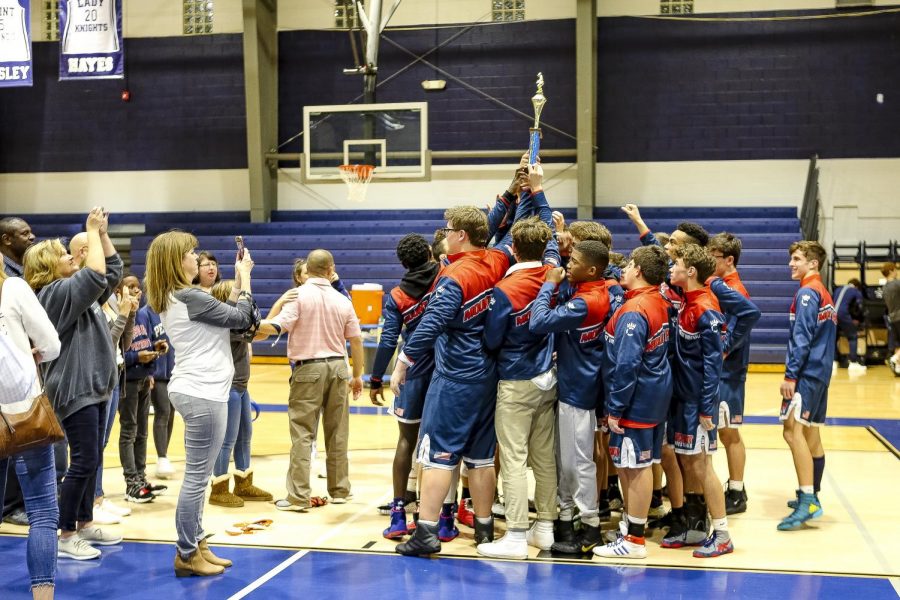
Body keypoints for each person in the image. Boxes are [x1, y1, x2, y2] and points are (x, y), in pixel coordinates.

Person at [390, 164, 535, 557]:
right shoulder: (498, 259)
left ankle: (425, 533)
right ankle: (485, 529)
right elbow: (505, 228)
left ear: (461, 237)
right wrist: (518, 191)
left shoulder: (454, 277)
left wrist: (404, 360)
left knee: (438, 453)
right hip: (489, 372)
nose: (445, 234)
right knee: (481, 457)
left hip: (455, 376)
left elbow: (433, 321)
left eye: (450, 229)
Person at [144, 230, 259, 576]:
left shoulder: (178, 296)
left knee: (198, 475)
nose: (197, 258)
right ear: (176, 261)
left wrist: (237, 281)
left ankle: (197, 542)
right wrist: (248, 278)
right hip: (203, 391)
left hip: (199, 388)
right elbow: (243, 318)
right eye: (191, 253)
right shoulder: (189, 295)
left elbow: (226, 313)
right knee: (197, 478)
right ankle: (186, 552)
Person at [25, 208, 124, 560]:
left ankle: (83, 522)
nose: (71, 256)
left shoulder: (76, 291)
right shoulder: (52, 294)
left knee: (92, 458)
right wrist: (90, 231)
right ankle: (65, 533)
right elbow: (97, 272)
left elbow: (111, 272)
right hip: (75, 388)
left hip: (94, 387)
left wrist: (103, 234)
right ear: (49, 266)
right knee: (82, 461)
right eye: (64, 254)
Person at [478, 211, 560, 560]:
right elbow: (554, 246)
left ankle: (514, 535)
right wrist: (538, 191)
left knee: (513, 457)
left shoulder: (505, 289)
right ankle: (545, 527)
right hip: (548, 378)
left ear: (512, 248)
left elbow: (492, 339)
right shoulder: (554, 274)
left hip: (515, 378)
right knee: (544, 457)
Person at [257, 250, 364, 512]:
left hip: (308, 368)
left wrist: (249, 323)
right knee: (338, 431)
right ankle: (340, 490)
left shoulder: (299, 295)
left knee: (303, 433)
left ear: (309, 269)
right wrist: (358, 375)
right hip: (339, 367)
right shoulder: (342, 300)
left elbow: (277, 327)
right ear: (331, 269)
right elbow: (356, 340)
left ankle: (298, 497)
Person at [530, 240, 611, 556]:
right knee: (566, 460)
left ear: (590, 269)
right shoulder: (595, 287)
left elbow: (538, 322)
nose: (567, 266)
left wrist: (548, 286)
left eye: (574, 261)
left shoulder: (586, 302)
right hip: (574, 386)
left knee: (579, 462)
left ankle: (589, 527)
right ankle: (568, 519)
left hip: (579, 390)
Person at [593, 245, 672, 560]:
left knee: (634, 468)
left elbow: (626, 365)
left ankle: (635, 540)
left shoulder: (634, 311)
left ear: (638, 269)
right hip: (650, 396)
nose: (623, 268)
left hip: (636, 401)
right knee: (632, 466)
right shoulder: (654, 299)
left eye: (628, 264)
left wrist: (615, 407)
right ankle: (631, 529)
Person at [369, 234, 442, 539]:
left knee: (405, 442)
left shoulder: (398, 295)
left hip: (411, 370)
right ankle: (444, 515)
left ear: (402, 262)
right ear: (429, 252)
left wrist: (375, 379)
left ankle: (399, 514)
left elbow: (387, 340)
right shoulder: (445, 276)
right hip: (443, 368)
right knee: (443, 447)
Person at [664, 244, 733, 558]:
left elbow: (713, 361)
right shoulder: (685, 303)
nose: (672, 267)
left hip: (698, 404)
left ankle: (722, 535)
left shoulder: (707, 308)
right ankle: (695, 529)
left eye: (676, 263)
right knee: (690, 462)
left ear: (690, 271)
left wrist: (707, 406)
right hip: (683, 399)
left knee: (703, 466)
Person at [0, 265, 62, 599]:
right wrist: (34, 353)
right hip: (25, 411)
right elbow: (51, 344)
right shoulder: (13, 288)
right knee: (42, 512)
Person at [778, 241, 836, 531]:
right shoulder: (823, 291)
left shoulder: (806, 293)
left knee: (792, 431)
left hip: (807, 373)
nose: (792, 263)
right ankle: (812, 493)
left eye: (797, 258)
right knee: (811, 437)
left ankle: (808, 499)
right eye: (792, 258)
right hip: (821, 372)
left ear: (813, 263)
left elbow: (802, 338)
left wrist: (790, 375)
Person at [706, 233, 761, 515]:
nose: (708, 261)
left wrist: (723, 350)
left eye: (713, 257)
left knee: (729, 434)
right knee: (724, 433)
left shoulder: (734, 289)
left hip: (728, 374)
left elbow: (740, 326)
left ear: (728, 260)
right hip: (722, 373)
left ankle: (737, 491)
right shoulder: (721, 286)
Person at [208, 279, 273, 508]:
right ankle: (219, 488)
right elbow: (259, 329)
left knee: (245, 436)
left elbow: (259, 332)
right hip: (230, 387)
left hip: (242, 387)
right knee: (227, 440)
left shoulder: (237, 325)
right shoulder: (227, 326)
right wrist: (282, 305)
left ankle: (244, 483)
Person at [92, 276, 138, 525]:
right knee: (94, 443)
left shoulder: (110, 298)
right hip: (99, 377)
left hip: (116, 374)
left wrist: (130, 314)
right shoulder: (92, 302)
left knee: (102, 442)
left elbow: (125, 343)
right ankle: (91, 501)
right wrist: (122, 315)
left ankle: (98, 496)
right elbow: (105, 344)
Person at [1, 216, 37, 527]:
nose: (32, 237)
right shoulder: (5, 277)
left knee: (18, 440)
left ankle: (14, 502)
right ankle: (11, 506)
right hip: (8, 369)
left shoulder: (21, 274)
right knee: (9, 440)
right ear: (6, 239)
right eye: (24, 233)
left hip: (22, 367)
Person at [122, 274, 170, 503]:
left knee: (142, 432)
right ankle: (131, 483)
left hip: (143, 378)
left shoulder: (143, 315)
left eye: (137, 287)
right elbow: (118, 354)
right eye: (130, 287)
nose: (136, 291)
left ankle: (141, 479)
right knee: (129, 431)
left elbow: (147, 342)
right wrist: (136, 358)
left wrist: (156, 348)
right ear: (118, 291)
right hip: (127, 381)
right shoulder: (120, 317)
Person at [145, 304, 177, 479]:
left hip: (173, 370)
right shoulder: (146, 314)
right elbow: (143, 341)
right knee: (163, 411)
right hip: (156, 372)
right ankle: (161, 457)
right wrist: (149, 372)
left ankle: (164, 455)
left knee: (171, 412)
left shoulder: (172, 311)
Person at [833, 278, 866, 372]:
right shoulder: (856, 291)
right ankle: (853, 362)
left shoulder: (838, 289)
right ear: (857, 286)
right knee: (852, 337)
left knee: (833, 339)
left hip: (832, 315)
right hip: (843, 314)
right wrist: (857, 319)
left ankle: (834, 362)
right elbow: (860, 307)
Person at [883, 263, 900, 374]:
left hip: (892, 317)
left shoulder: (885, 287)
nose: (897, 272)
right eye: (895, 270)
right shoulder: (897, 284)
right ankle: (894, 359)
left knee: (898, 343)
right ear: (890, 271)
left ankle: (898, 368)